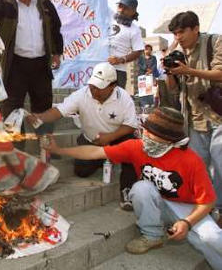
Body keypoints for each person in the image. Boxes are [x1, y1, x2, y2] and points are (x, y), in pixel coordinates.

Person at [43, 107, 222, 269]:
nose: (144, 135)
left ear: (168, 139)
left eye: (150, 133)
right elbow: (95, 152)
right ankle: (152, 235)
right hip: (156, 203)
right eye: (144, 130)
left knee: (211, 239)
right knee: (140, 188)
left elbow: (208, 201)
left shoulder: (191, 160)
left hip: (187, 208)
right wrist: (59, 150)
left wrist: (187, 222)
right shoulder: (136, 147)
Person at [28, 62, 138, 211]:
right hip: (91, 140)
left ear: (112, 86)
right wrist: (40, 117)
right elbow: (59, 111)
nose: (94, 91)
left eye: (99, 88)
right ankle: (103, 158)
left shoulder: (123, 98)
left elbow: (130, 125)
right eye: (92, 86)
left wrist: (110, 137)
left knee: (131, 148)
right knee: (82, 171)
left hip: (117, 138)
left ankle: (127, 191)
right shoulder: (82, 94)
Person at [0, 0, 63, 136]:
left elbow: (55, 29)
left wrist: (57, 53)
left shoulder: (44, 4)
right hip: (15, 65)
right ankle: (16, 152)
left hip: (40, 65)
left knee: (44, 106)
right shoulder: (1, 6)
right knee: (11, 109)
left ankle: (46, 147)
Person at [165, 11, 222, 227]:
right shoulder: (177, 52)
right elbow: (173, 90)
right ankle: (207, 210)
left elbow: (220, 73)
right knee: (200, 169)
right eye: (175, 33)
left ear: (195, 28)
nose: (178, 37)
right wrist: (171, 73)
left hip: (218, 116)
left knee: (221, 166)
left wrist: (189, 70)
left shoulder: (215, 42)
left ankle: (219, 211)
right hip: (195, 120)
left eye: (182, 32)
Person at [108, 0, 144, 89]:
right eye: (120, 6)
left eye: (126, 8)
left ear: (133, 11)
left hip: (117, 71)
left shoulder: (134, 30)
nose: (121, 10)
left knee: (115, 101)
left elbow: (138, 51)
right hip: (98, 66)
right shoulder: (108, 17)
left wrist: (120, 60)